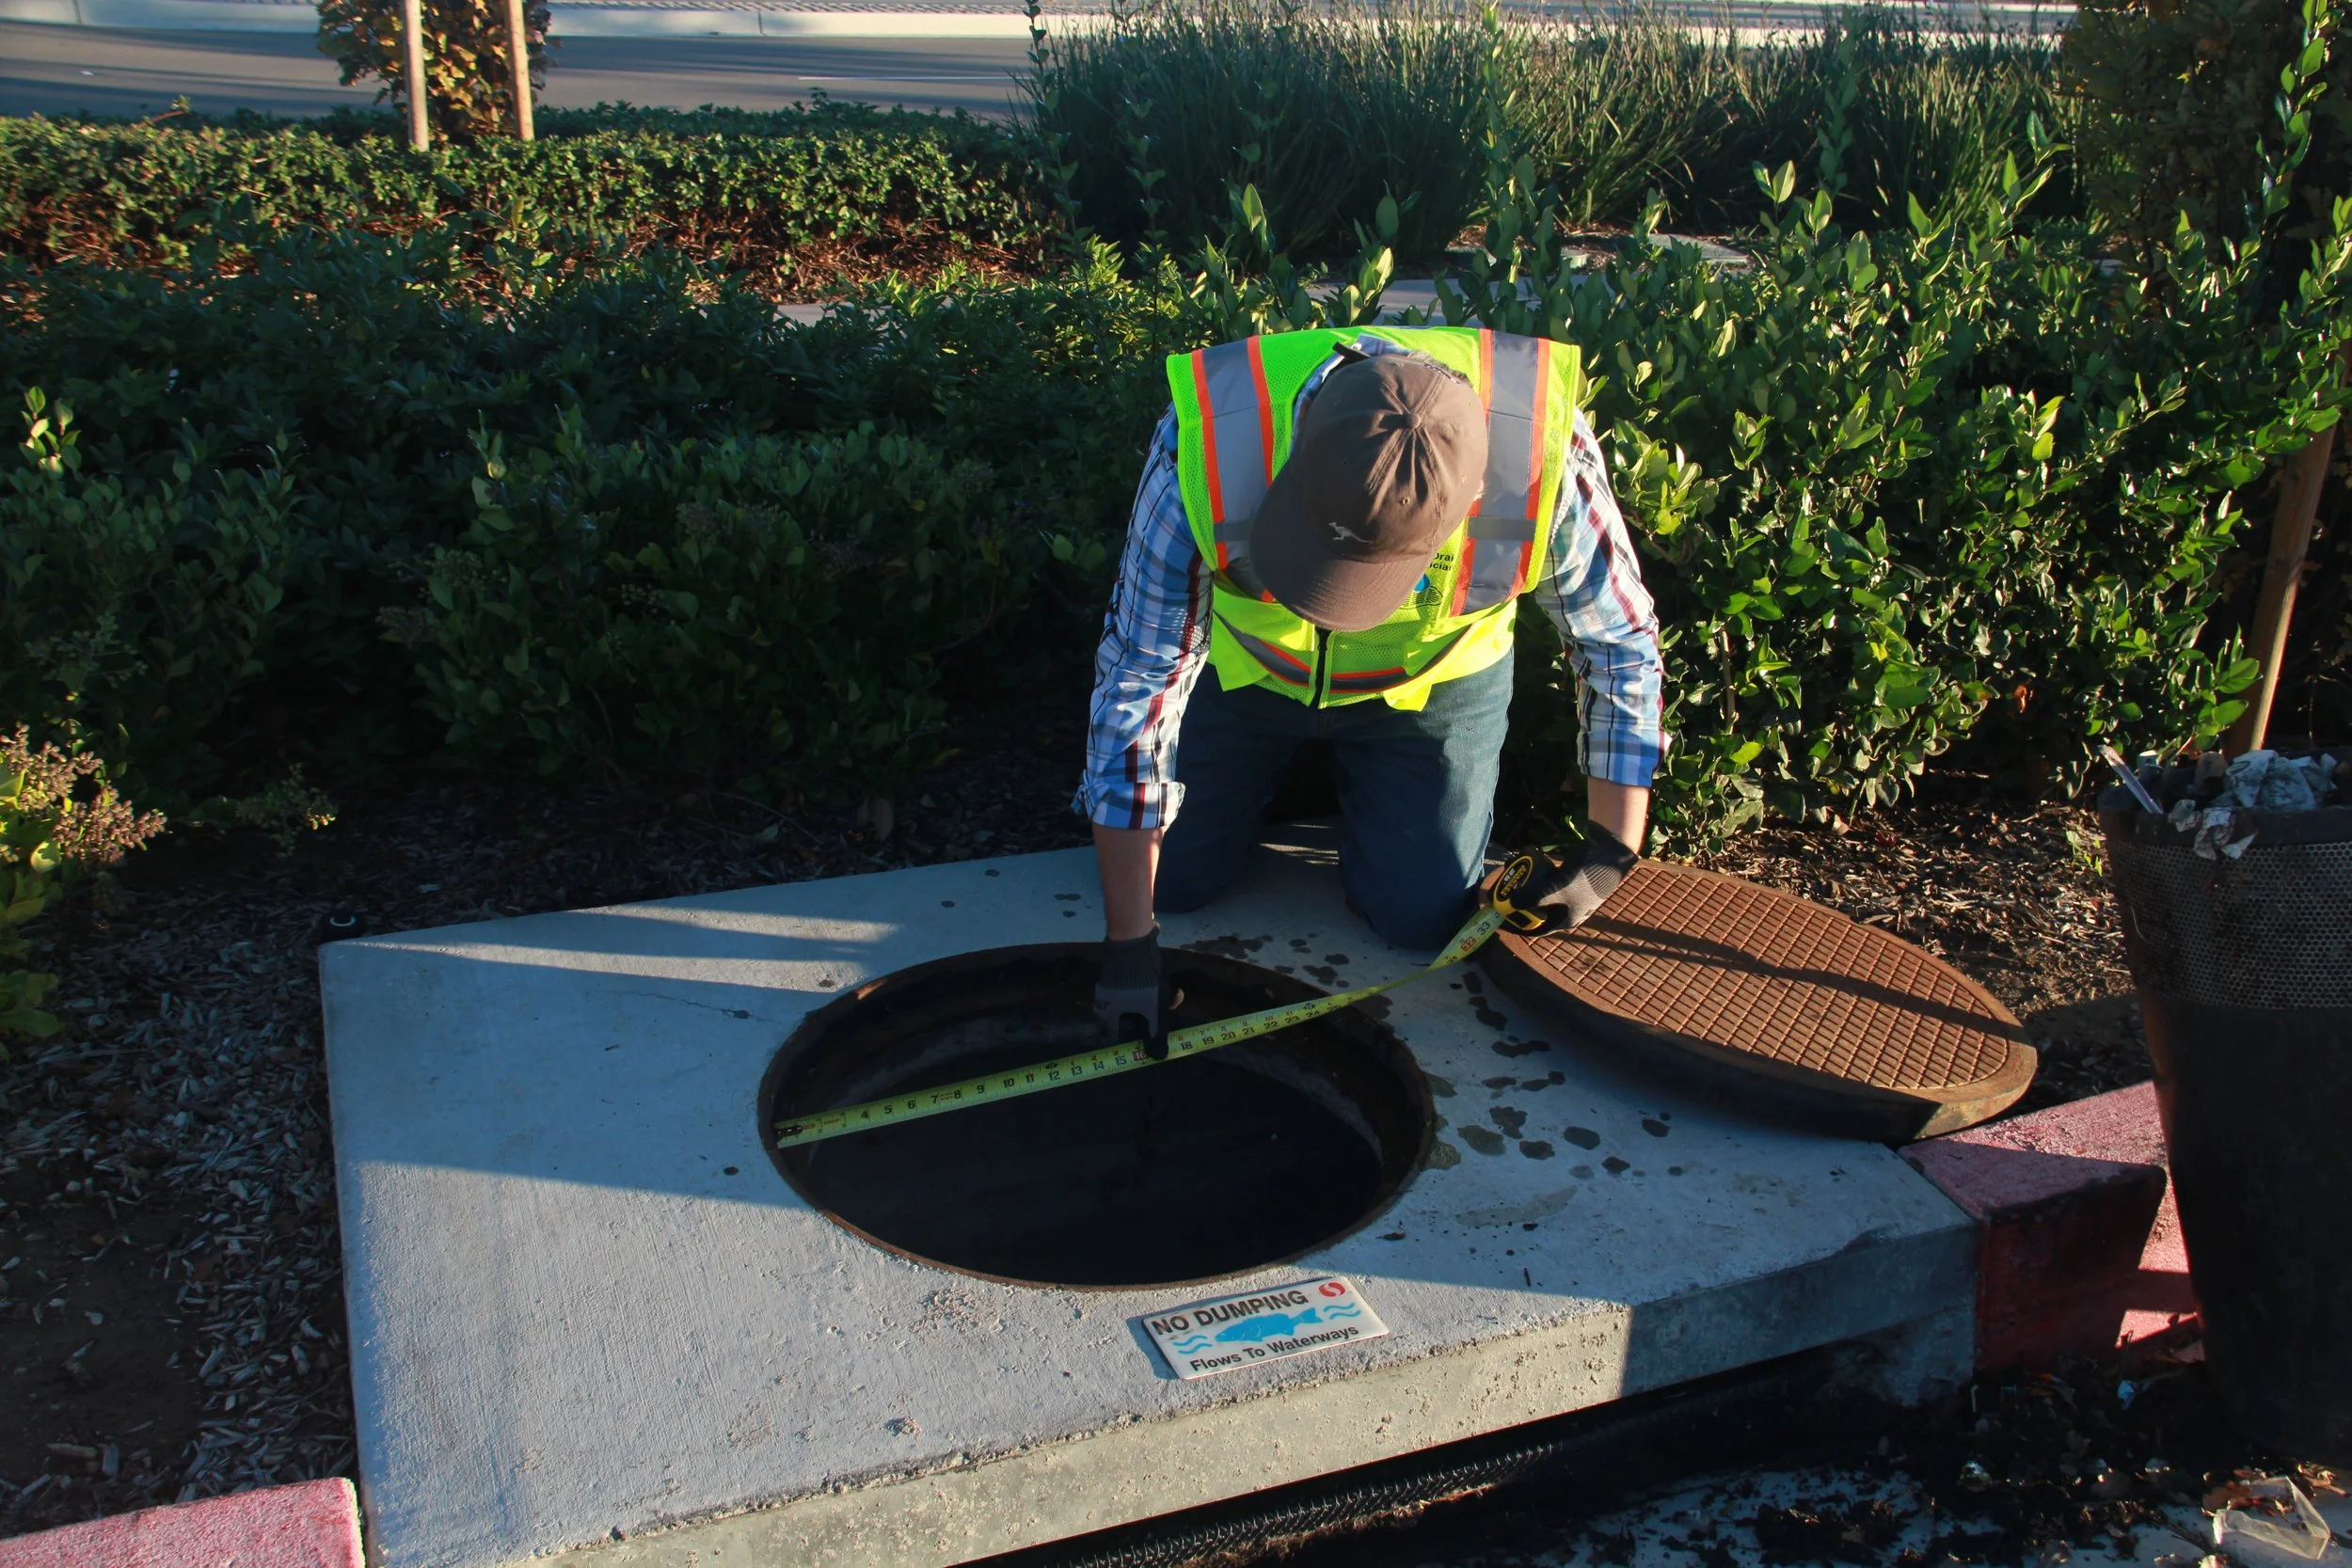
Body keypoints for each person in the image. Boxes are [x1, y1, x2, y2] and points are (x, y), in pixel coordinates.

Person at [1077, 325, 1665, 1053]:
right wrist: (1129, 941)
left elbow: (1620, 643)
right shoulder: (1213, 437)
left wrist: (1611, 849)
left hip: (1432, 688)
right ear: (1295, 454)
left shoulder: (1545, 449)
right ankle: (1280, 786)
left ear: (1473, 495)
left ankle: (1349, 796)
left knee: (1421, 920)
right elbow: (1140, 673)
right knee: (1168, 884)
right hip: (1247, 677)